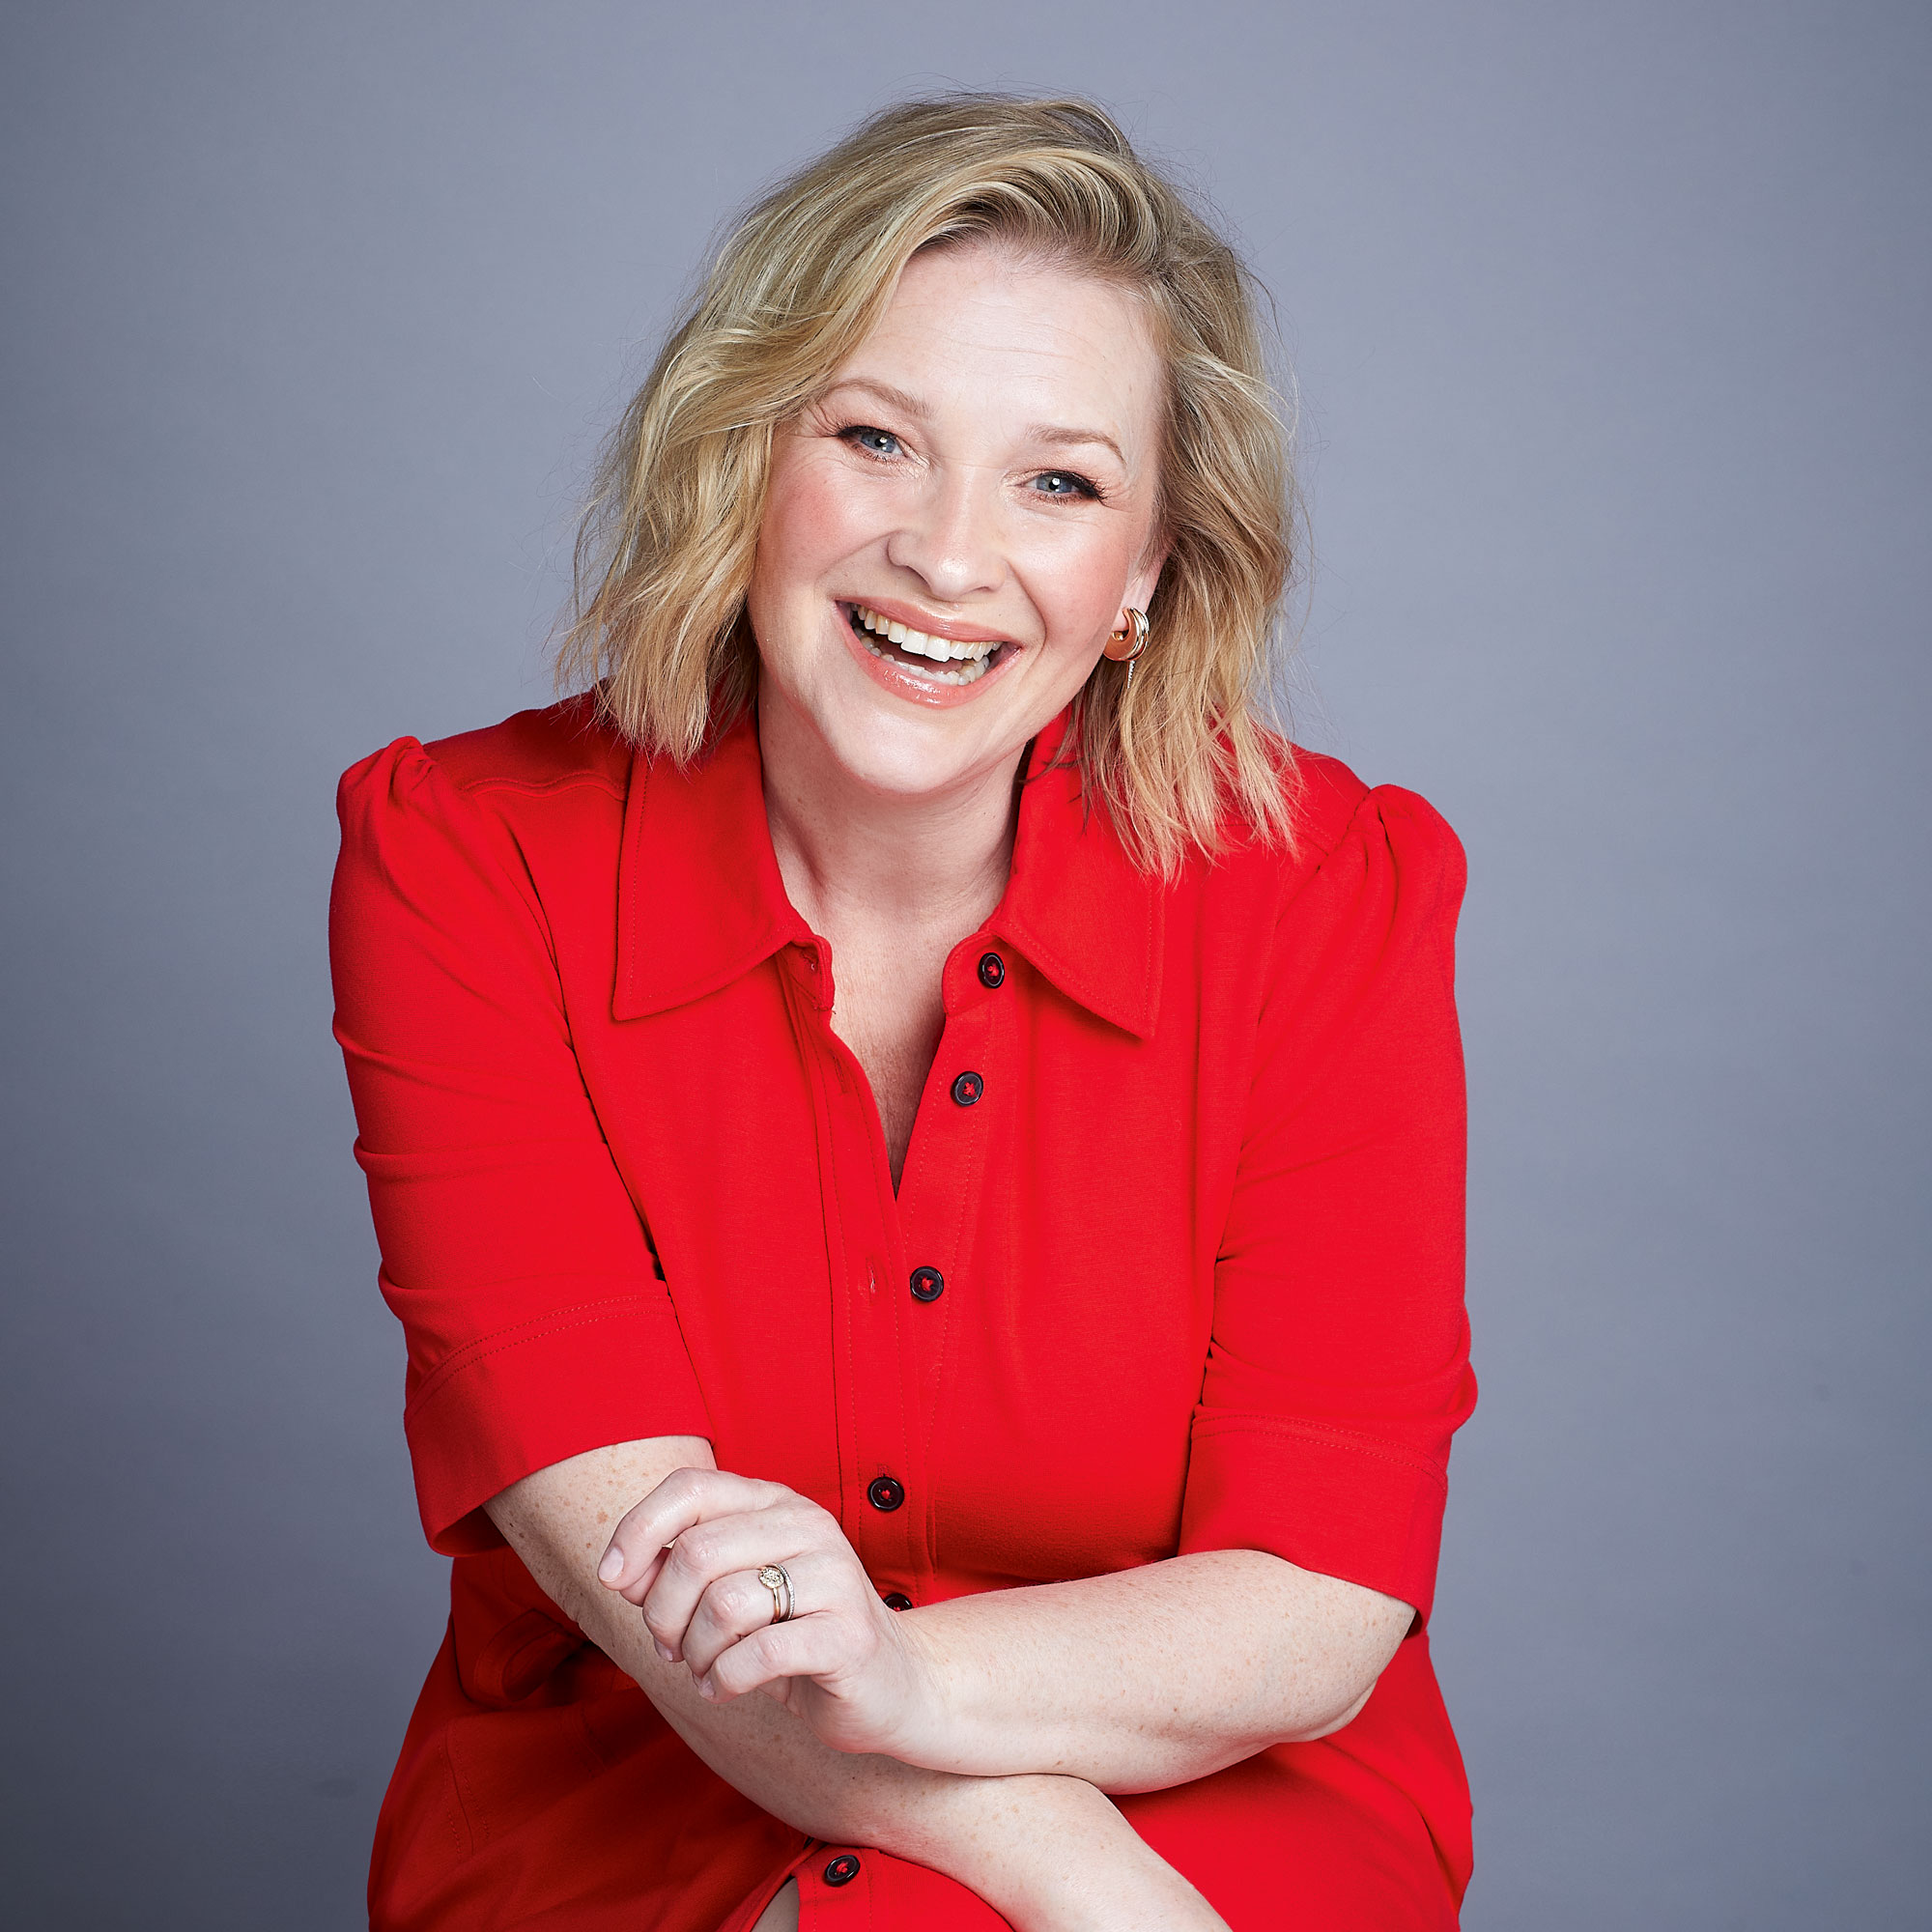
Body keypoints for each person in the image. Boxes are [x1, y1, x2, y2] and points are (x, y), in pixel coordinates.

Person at [329, 94, 1476, 1932]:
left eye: (1061, 482)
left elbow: (1311, 1611)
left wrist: (916, 1689)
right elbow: (648, 1574)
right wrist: (1077, 1880)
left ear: (1145, 579)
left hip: (1203, 1772)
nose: (949, 557)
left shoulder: (1331, 895)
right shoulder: (464, 862)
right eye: (875, 439)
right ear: (742, 456)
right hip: (646, 1787)